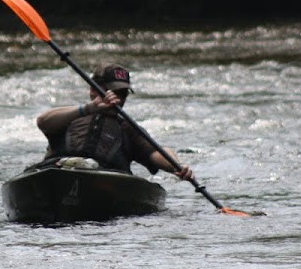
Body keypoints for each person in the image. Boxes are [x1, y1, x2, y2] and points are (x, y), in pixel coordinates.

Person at [35, 64, 195, 182]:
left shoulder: (128, 128)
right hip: (57, 172)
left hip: (107, 180)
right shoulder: (70, 116)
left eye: (123, 94)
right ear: (93, 90)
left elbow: (158, 152)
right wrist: (91, 108)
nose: (118, 99)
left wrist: (177, 166)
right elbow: (43, 121)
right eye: (113, 92)